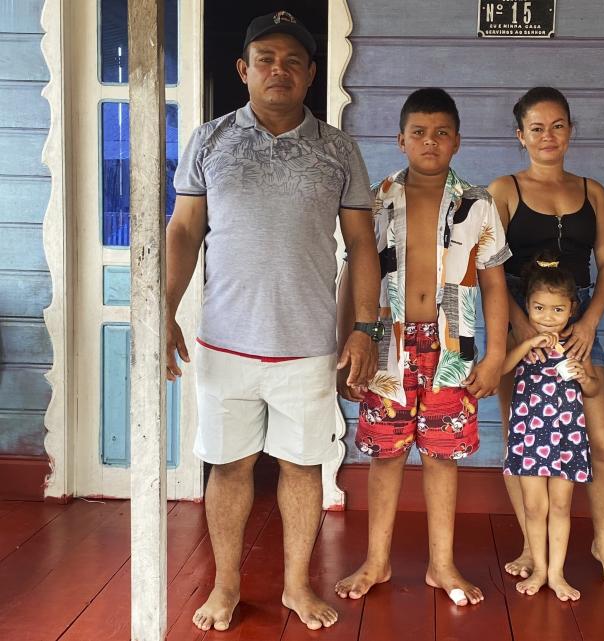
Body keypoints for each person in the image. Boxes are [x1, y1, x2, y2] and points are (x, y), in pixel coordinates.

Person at [165, 11, 380, 632]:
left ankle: (294, 586)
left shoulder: (338, 149)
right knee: (228, 466)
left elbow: (362, 245)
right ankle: (225, 586)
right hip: (225, 341)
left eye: (292, 61)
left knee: (302, 465)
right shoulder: (209, 141)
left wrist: (364, 329)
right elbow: (183, 229)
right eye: (265, 59)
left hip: (309, 345)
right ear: (244, 69)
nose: (278, 70)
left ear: (312, 73)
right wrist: (165, 310)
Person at [334, 88, 511, 607]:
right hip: (384, 346)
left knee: (442, 456)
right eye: (418, 132)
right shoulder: (375, 198)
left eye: (440, 133)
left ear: (457, 140)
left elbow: (496, 284)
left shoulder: (478, 205)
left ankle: (441, 564)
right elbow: (354, 276)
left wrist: (496, 354)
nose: (429, 142)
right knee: (385, 455)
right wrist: (347, 343)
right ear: (400, 139)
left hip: (452, 349)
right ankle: (376, 559)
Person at [488, 86, 604, 586]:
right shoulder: (504, 189)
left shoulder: (593, 192)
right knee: (520, 442)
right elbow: (486, 265)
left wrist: (590, 321)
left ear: (570, 130)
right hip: (516, 322)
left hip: (579, 324)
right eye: (536, 127)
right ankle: (533, 546)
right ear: (520, 135)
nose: (547, 136)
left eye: (557, 125)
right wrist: (519, 324)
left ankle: (603, 544)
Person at [502, 254, 598, 601]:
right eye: (539, 308)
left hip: (567, 438)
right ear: (527, 306)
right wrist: (526, 343)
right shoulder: (524, 345)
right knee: (533, 506)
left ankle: (557, 573)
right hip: (529, 437)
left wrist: (586, 377)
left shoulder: (574, 345)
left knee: (560, 505)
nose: (547, 317)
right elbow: (501, 369)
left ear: (572, 309)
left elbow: (593, 389)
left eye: (557, 310)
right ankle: (539, 567)